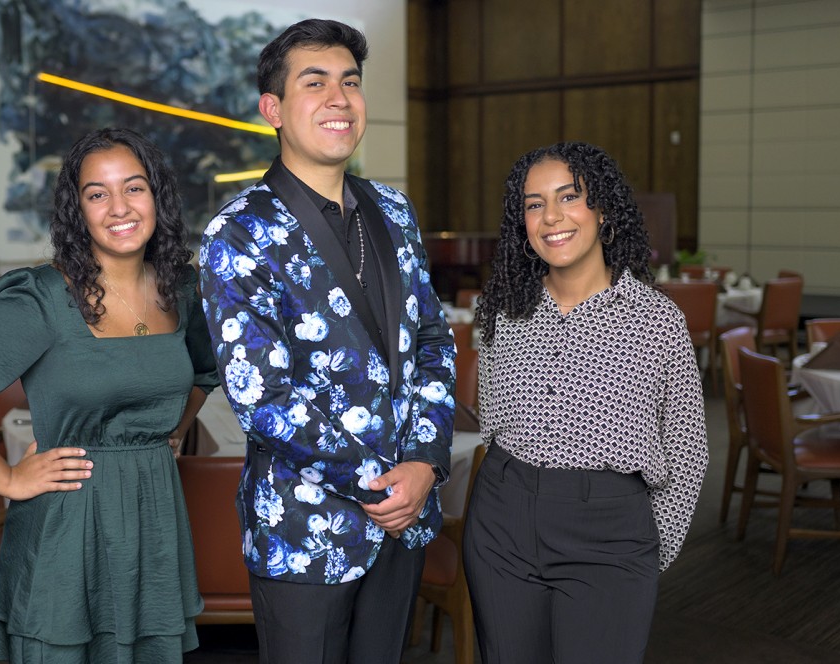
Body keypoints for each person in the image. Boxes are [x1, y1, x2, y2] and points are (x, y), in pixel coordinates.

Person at [0, 127, 219, 662]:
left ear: (157, 197)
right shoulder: (44, 299)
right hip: (71, 517)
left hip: (154, 516)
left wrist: (172, 430)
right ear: (79, 210)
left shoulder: (180, 288)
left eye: (134, 188)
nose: (119, 207)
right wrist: (4, 477)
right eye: (98, 194)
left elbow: (203, 372)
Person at [198, 18, 456, 664]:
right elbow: (263, 398)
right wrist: (382, 487)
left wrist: (424, 463)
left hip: (403, 516)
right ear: (273, 110)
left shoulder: (393, 213)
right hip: (302, 529)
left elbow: (432, 339)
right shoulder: (238, 234)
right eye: (314, 83)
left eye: (350, 82)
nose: (339, 99)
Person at [464, 141, 708, 663]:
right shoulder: (504, 313)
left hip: (610, 531)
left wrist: (646, 547)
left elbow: (688, 447)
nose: (551, 216)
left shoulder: (656, 321)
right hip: (501, 522)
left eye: (569, 196)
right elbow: (491, 417)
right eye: (533, 204)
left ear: (602, 210)